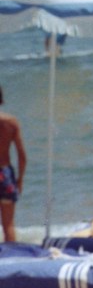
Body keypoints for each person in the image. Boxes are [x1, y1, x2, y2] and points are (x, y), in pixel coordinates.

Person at [0, 85, 27, 242]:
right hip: (5, 175)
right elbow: (22, 156)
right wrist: (20, 179)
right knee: (8, 224)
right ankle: (11, 254)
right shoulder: (11, 122)